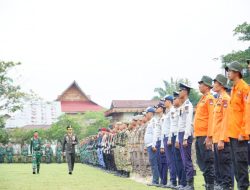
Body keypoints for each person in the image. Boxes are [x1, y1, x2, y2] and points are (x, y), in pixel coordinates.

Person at [224, 61, 249, 189]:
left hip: (240, 135)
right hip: (233, 134)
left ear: (237, 72)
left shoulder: (245, 88)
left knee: (241, 164)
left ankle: (243, 187)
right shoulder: (234, 89)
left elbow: (247, 112)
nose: (228, 73)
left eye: (230, 71)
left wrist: (243, 132)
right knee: (236, 165)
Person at [212, 74, 233, 189]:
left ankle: (228, 187)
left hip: (223, 139)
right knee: (219, 166)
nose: (213, 85)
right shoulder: (219, 99)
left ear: (220, 85)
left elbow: (226, 121)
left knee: (225, 166)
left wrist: (221, 139)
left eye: (215, 82)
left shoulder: (225, 99)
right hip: (216, 139)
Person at [193, 76, 215, 189]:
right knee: (202, 162)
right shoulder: (202, 98)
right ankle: (207, 184)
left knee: (208, 162)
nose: (199, 86)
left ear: (206, 86)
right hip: (199, 135)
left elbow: (212, 118)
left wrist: (209, 136)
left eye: (201, 84)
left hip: (205, 136)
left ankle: (211, 185)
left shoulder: (209, 98)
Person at [176, 83, 195, 190]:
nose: (179, 93)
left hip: (185, 134)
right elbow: (180, 123)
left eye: (181, 90)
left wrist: (185, 137)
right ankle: (188, 184)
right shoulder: (183, 106)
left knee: (187, 160)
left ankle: (190, 185)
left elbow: (188, 123)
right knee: (184, 160)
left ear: (185, 92)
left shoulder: (188, 105)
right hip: (181, 134)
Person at [144, 106, 160, 187]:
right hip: (149, 145)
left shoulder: (153, 121)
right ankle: (154, 179)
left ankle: (155, 181)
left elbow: (155, 133)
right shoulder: (150, 121)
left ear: (150, 113)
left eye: (146, 113)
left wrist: (153, 145)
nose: (146, 115)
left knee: (154, 163)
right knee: (152, 163)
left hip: (152, 145)